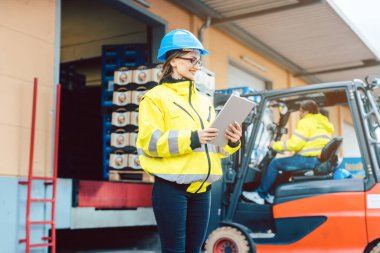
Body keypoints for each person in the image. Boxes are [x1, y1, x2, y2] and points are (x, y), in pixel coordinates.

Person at [136, 29, 242, 253]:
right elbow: (149, 143)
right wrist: (193, 138)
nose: (197, 65)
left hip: (202, 190)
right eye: (192, 59)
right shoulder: (155, 98)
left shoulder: (205, 102)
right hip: (171, 189)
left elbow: (215, 148)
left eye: (199, 60)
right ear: (173, 61)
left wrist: (231, 141)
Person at [242, 100, 334, 205]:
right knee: (286, 168)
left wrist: (275, 145)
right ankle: (272, 195)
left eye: (300, 111)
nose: (299, 114)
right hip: (316, 160)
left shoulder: (306, 121)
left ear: (306, 111)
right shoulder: (323, 123)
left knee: (274, 163)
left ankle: (260, 194)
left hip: (308, 160)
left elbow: (295, 144)